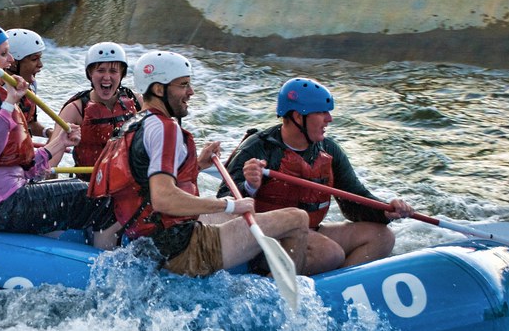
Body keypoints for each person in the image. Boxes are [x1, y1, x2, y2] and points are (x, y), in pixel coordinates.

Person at [88, 51, 314, 277]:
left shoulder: (134, 124)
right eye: (183, 85)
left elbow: (143, 186)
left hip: (151, 242)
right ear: (159, 89)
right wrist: (228, 204)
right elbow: (163, 198)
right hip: (185, 251)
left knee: (236, 215)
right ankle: (281, 295)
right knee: (298, 218)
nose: (191, 92)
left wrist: (197, 165)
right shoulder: (166, 128)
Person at [0, 24, 115, 239]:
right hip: (0, 203)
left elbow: (20, 164)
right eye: (4, 54)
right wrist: (9, 103)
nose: (10, 61)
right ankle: (107, 268)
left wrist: (60, 142)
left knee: (80, 188)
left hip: (4, 196)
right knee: (99, 197)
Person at [218, 77, 409, 271]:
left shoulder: (329, 150)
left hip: (309, 232)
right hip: (265, 239)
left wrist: (384, 211)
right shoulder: (257, 148)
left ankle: (334, 287)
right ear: (298, 117)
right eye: (321, 112)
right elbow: (223, 205)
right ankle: (278, 286)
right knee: (330, 253)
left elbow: (354, 202)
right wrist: (249, 187)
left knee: (382, 237)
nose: (329, 118)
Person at [53, 42, 141, 176]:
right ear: (90, 73)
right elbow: (51, 160)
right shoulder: (75, 109)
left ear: (122, 74)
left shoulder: (137, 102)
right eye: (100, 70)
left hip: (129, 182)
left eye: (113, 71)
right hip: (89, 184)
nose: (106, 77)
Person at [5, 28, 50, 138]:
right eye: (34, 59)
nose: (40, 65)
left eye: (40, 58)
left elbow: (29, 123)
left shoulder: (30, 86)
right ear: (13, 62)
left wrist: (49, 133)